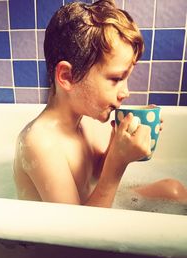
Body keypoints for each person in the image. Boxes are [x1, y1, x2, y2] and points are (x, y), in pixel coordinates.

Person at [14, 0, 185, 207]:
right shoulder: (40, 143)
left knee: (172, 189)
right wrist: (116, 164)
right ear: (68, 76)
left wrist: (119, 147)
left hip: (93, 211)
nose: (126, 92)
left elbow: (96, 177)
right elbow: (74, 235)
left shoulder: (89, 121)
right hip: (74, 231)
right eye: (116, 79)